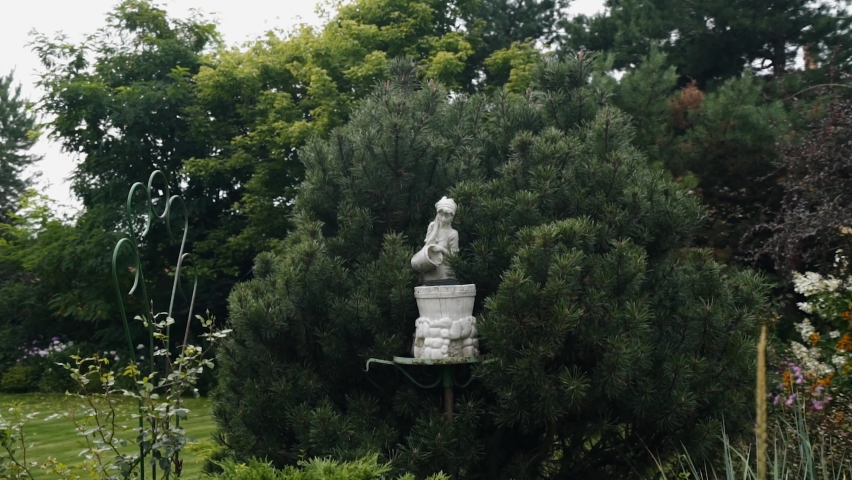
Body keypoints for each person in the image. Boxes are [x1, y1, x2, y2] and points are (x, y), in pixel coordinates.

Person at [411, 196, 459, 285]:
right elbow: (426, 247)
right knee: (425, 278)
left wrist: (441, 249)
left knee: (445, 276)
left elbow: (454, 259)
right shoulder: (432, 227)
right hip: (430, 266)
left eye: (447, 216)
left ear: (452, 217)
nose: (443, 218)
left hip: (444, 269)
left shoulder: (453, 234)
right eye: (441, 215)